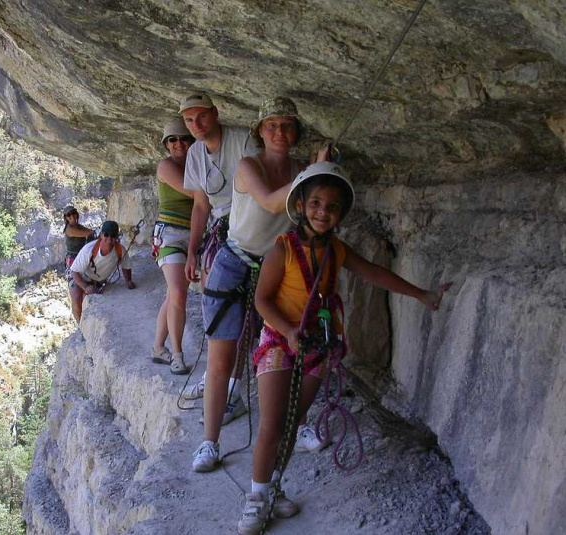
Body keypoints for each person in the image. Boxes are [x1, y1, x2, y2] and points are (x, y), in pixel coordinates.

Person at [236, 162, 452, 534]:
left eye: (332, 206)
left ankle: (272, 487)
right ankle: (256, 497)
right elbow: (262, 300)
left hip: (318, 343)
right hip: (280, 339)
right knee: (273, 423)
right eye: (316, 203)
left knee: (292, 423)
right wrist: (288, 331)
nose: (324, 211)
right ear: (300, 206)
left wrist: (422, 295)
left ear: (340, 214)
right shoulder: (283, 248)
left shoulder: (336, 249)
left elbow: (373, 272)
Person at [192, 97, 312, 473]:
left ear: (296, 133)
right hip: (236, 262)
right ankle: (209, 442)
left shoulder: (302, 170)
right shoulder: (248, 166)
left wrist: (319, 172)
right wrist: (315, 172)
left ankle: (297, 423)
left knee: (283, 354)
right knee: (222, 359)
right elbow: (274, 203)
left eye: (287, 125)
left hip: (278, 268)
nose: (280, 132)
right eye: (272, 125)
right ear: (260, 131)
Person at [180, 91, 259, 423]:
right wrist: (192, 250)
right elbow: (201, 205)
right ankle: (220, 376)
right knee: (217, 304)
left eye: (202, 116)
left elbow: (257, 189)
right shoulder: (196, 154)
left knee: (243, 309)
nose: (196, 125)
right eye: (189, 120)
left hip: (250, 228)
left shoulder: (243, 141)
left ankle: (232, 386)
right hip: (220, 230)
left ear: (215, 113)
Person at [152, 118, 195, 375]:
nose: (179, 143)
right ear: (167, 145)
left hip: (193, 235)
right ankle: (177, 355)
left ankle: (158, 348)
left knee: (173, 294)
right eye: (173, 139)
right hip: (169, 234)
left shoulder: (196, 163)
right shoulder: (165, 166)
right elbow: (193, 192)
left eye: (184, 138)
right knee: (179, 292)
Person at [69, 220, 136, 322]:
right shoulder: (89, 250)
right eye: (106, 234)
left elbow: (126, 266)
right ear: (101, 235)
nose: (109, 238)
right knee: (77, 300)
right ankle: (80, 328)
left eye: (113, 235)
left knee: (86, 301)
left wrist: (129, 281)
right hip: (81, 276)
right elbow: (74, 272)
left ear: (117, 237)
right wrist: (85, 286)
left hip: (98, 281)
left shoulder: (120, 250)